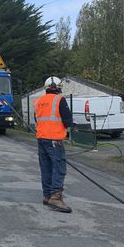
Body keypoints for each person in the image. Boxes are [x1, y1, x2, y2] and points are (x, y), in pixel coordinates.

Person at [34, 76, 74, 213]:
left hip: (41, 139)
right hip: (55, 139)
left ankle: (47, 195)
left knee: (46, 167)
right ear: (58, 88)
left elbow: (37, 119)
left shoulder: (39, 101)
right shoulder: (59, 100)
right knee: (59, 167)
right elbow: (68, 120)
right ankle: (56, 197)